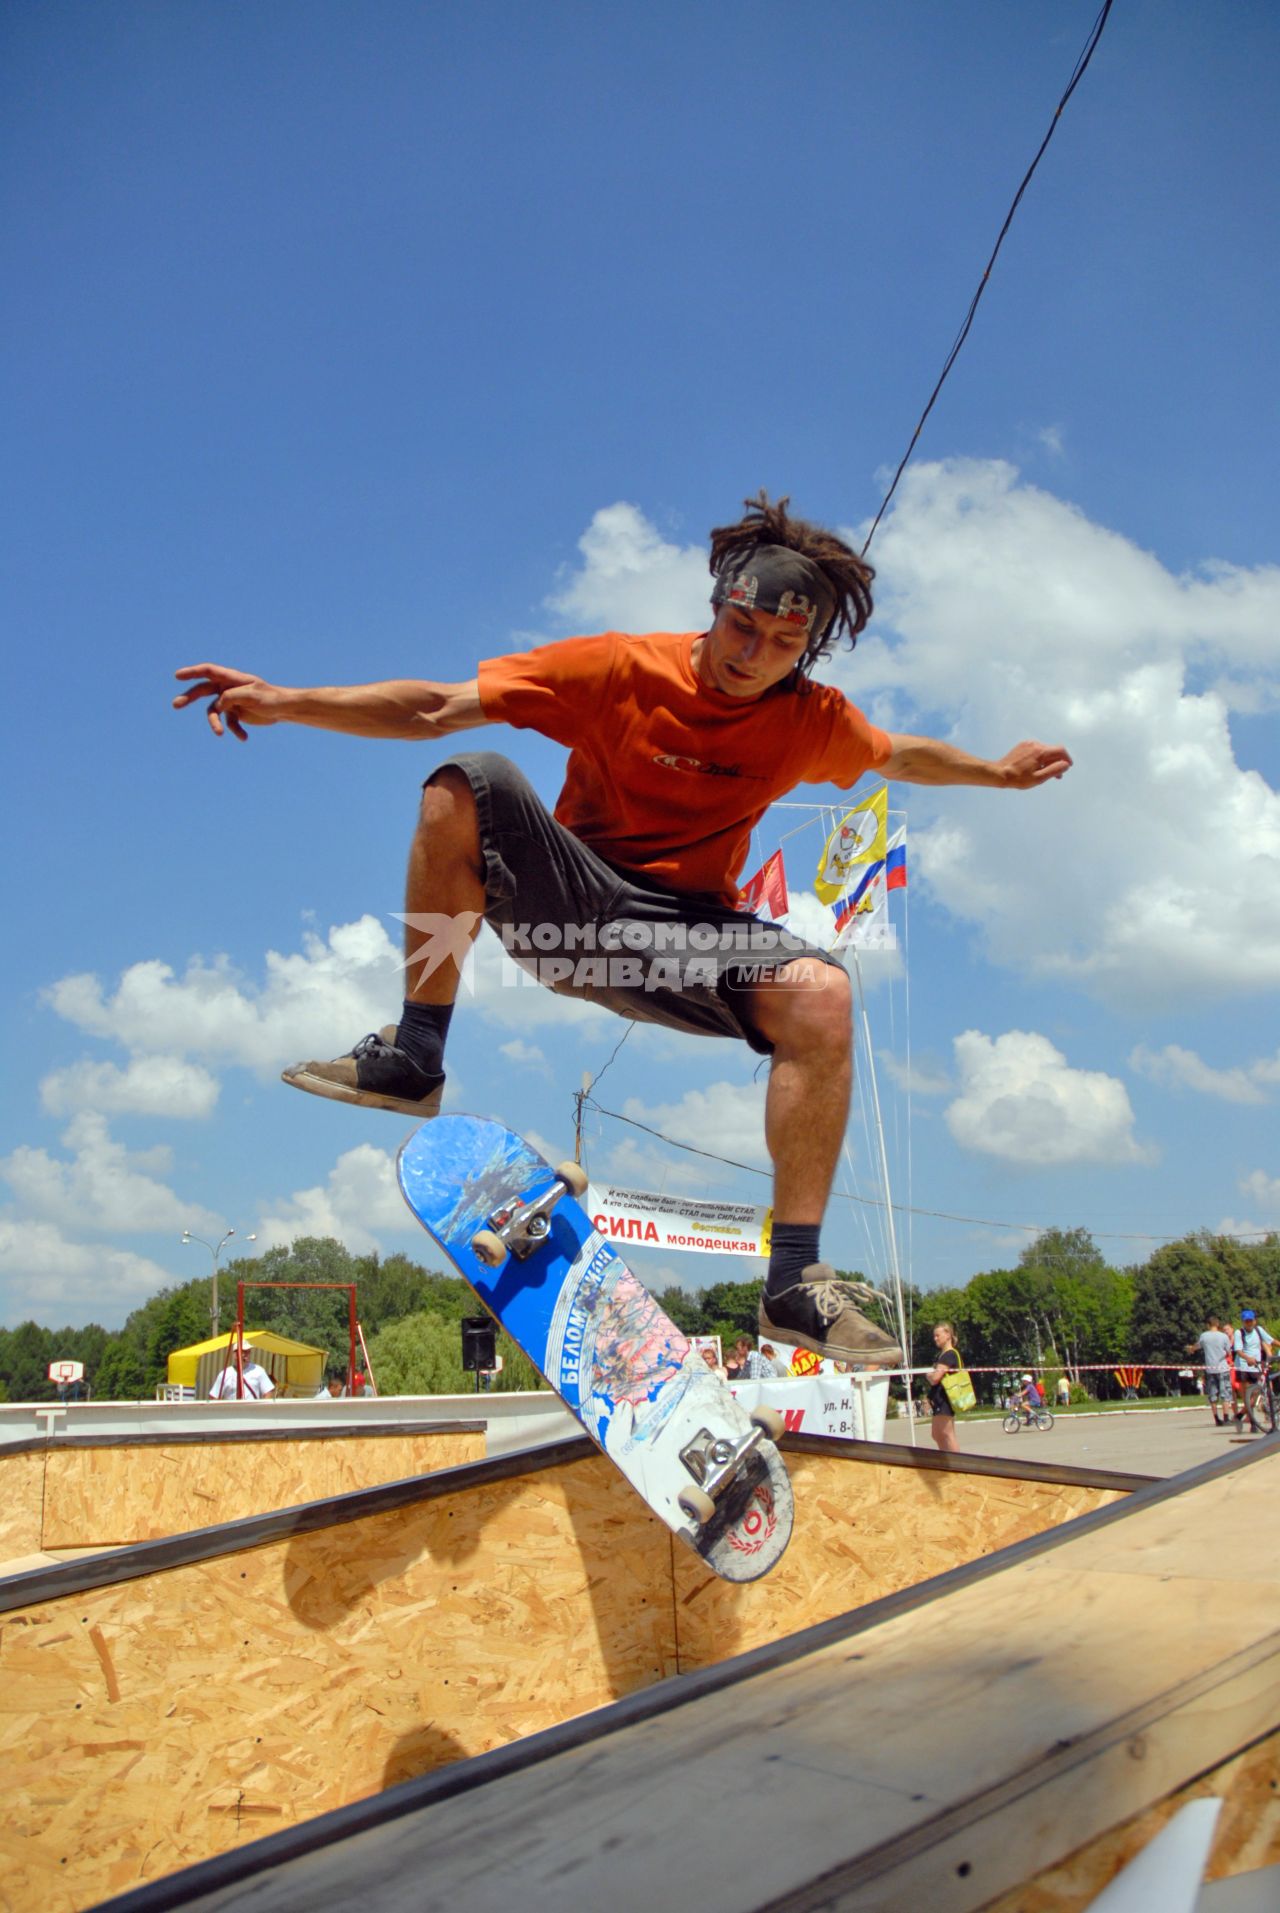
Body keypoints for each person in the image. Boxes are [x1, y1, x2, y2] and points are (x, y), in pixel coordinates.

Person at [174, 493, 1071, 1371]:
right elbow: (434, 707)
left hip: (691, 936)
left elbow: (902, 754)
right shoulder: (618, 668)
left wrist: (997, 771)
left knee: (825, 992)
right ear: (718, 606)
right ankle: (415, 1055)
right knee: (467, 778)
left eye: (782, 646)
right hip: (574, 900)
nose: (752, 658)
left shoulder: (809, 722)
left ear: (808, 650)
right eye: (740, 630)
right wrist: (289, 701)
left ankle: (793, 1279)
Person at [1185, 1314, 1233, 1428]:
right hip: (1222, 1368)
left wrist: (1191, 1349)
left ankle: (1216, 1418)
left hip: (1210, 1369)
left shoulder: (1204, 1336)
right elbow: (1229, 1351)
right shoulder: (1223, 1336)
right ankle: (1226, 1417)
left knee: (1213, 1394)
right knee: (1225, 1393)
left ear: (1208, 1325)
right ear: (1217, 1324)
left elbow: (1197, 1346)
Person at [1231, 1308, 1275, 1430]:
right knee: (1247, 1396)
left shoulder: (1258, 1330)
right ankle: (1252, 1423)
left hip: (1256, 1367)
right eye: (1246, 1322)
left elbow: (1271, 1340)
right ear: (1243, 1322)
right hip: (1243, 1366)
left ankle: (1240, 1415)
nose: (1249, 1324)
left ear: (1255, 1321)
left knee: (1255, 1394)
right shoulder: (1239, 1333)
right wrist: (1248, 1358)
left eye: (1251, 1321)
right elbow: (1238, 1350)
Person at [925, 1322, 962, 1454]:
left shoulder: (949, 1355)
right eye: (934, 1336)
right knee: (937, 1434)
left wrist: (929, 1376)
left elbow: (935, 1378)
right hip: (939, 1399)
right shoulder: (943, 1355)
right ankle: (946, 1461)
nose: (935, 1338)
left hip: (945, 1399)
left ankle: (958, 1465)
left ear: (948, 1335)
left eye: (937, 1335)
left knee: (947, 1434)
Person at [209, 1345, 275, 1400]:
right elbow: (214, 1397)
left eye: (248, 1352)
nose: (246, 1355)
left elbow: (269, 1392)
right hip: (232, 1413)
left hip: (252, 1413)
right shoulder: (225, 1374)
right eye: (243, 1352)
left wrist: (262, 1411)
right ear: (235, 1354)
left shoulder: (258, 1371)